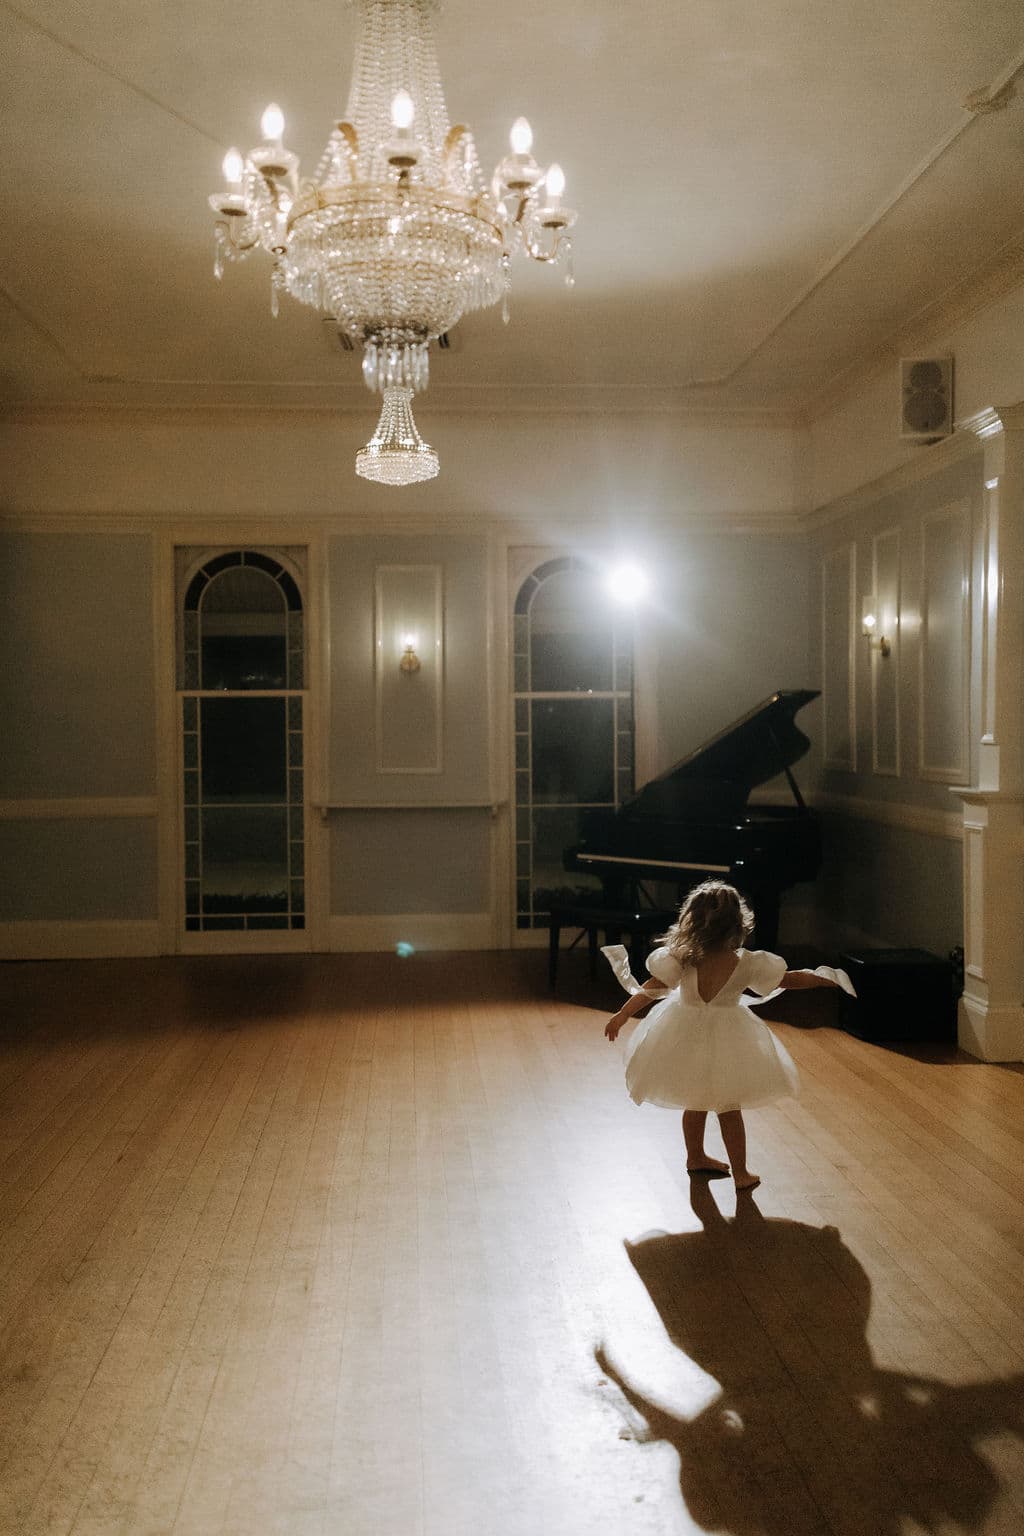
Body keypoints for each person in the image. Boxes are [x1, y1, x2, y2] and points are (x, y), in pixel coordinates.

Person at [603, 880, 845, 1191]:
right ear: (738, 923)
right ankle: (740, 1172)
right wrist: (824, 978)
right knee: (729, 1108)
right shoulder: (745, 962)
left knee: (695, 1100)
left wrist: (622, 1015)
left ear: (690, 921)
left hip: (682, 1032)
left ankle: (695, 1156)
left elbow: (650, 989)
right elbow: (788, 980)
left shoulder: (682, 958)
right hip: (729, 1038)